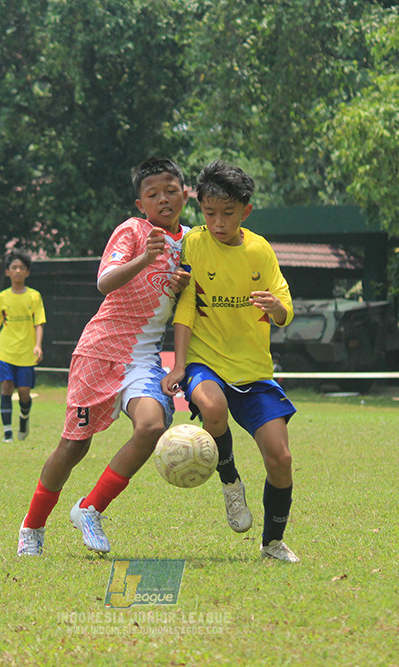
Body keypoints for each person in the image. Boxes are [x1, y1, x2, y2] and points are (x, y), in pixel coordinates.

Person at [16, 157, 191, 557]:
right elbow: (104, 282)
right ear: (139, 204)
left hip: (144, 359)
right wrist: (145, 257)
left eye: (170, 190)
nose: (163, 199)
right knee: (74, 447)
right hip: (98, 353)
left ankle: (90, 509)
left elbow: (185, 307)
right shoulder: (132, 231)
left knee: (152, 425)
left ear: (185, 193)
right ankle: (32, 526)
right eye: (152, 194)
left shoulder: (193, 242)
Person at [160, 160, 299, 563]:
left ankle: (273, 543)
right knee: (213, 407)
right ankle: (229, 479)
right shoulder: (195, 245)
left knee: (281, 458)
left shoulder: (260, 250)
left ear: (246, 211)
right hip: (206, 361)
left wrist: (275, 308)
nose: (218, 222)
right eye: (209, 213)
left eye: (228, 214)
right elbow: (185, 307)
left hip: (254, 371)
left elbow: (285, 308)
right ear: (199, 207)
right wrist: (180, 365)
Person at [0, 248, 46, 442]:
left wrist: (38, 345)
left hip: (26, 352)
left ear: (27, 272)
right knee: (6, 387)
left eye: (22, 268)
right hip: (5, 350)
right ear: (7, 272)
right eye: (14, 267)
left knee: (24, 393)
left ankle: (24, 419)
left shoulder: (34, 296)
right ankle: (7, 433)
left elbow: (39, 323)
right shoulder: (2, 297)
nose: (18, 271)